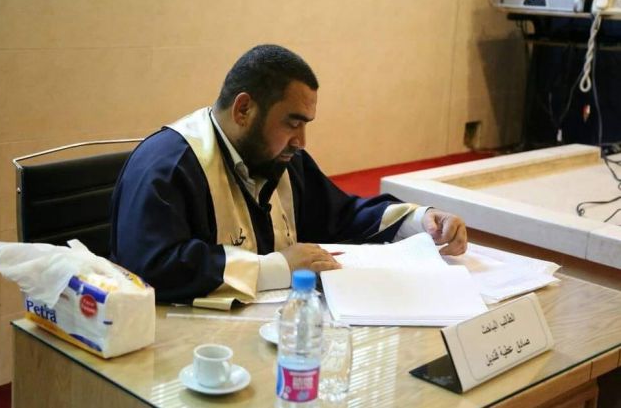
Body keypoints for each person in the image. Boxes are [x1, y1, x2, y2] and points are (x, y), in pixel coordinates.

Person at [110, 44, 467, 307]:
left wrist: (420, 221)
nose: (301, 141)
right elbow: (151, 268)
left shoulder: (282, 157)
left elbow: (340, 216)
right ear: (244, 109)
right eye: (292, 123)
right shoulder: (168, 167)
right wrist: (276, 268)